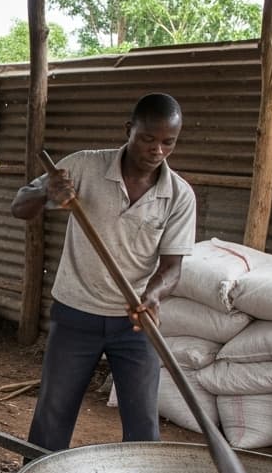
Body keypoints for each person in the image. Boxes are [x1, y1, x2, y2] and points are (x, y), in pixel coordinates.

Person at [10, 92, 196, 452]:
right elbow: (20, 207)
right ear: (129, 129)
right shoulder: (82, 167)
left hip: (135, 322)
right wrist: (47, 192)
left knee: (143, 423)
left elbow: (173, 266)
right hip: (75, 314)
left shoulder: (179, 195)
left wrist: (152, 296)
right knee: (54, 413)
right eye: (148, 138)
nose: (157, 149)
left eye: (168, 142)